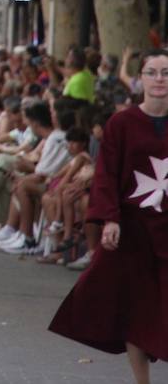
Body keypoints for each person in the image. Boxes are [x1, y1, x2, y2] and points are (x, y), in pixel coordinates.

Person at [51, 50, 168, 382]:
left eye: (166, 72)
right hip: (134, 230)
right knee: (137, 308)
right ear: (140, 78)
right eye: (152, 72)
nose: (160, 79)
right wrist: (110, 219)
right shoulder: (122, 124)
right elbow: (107, 175)